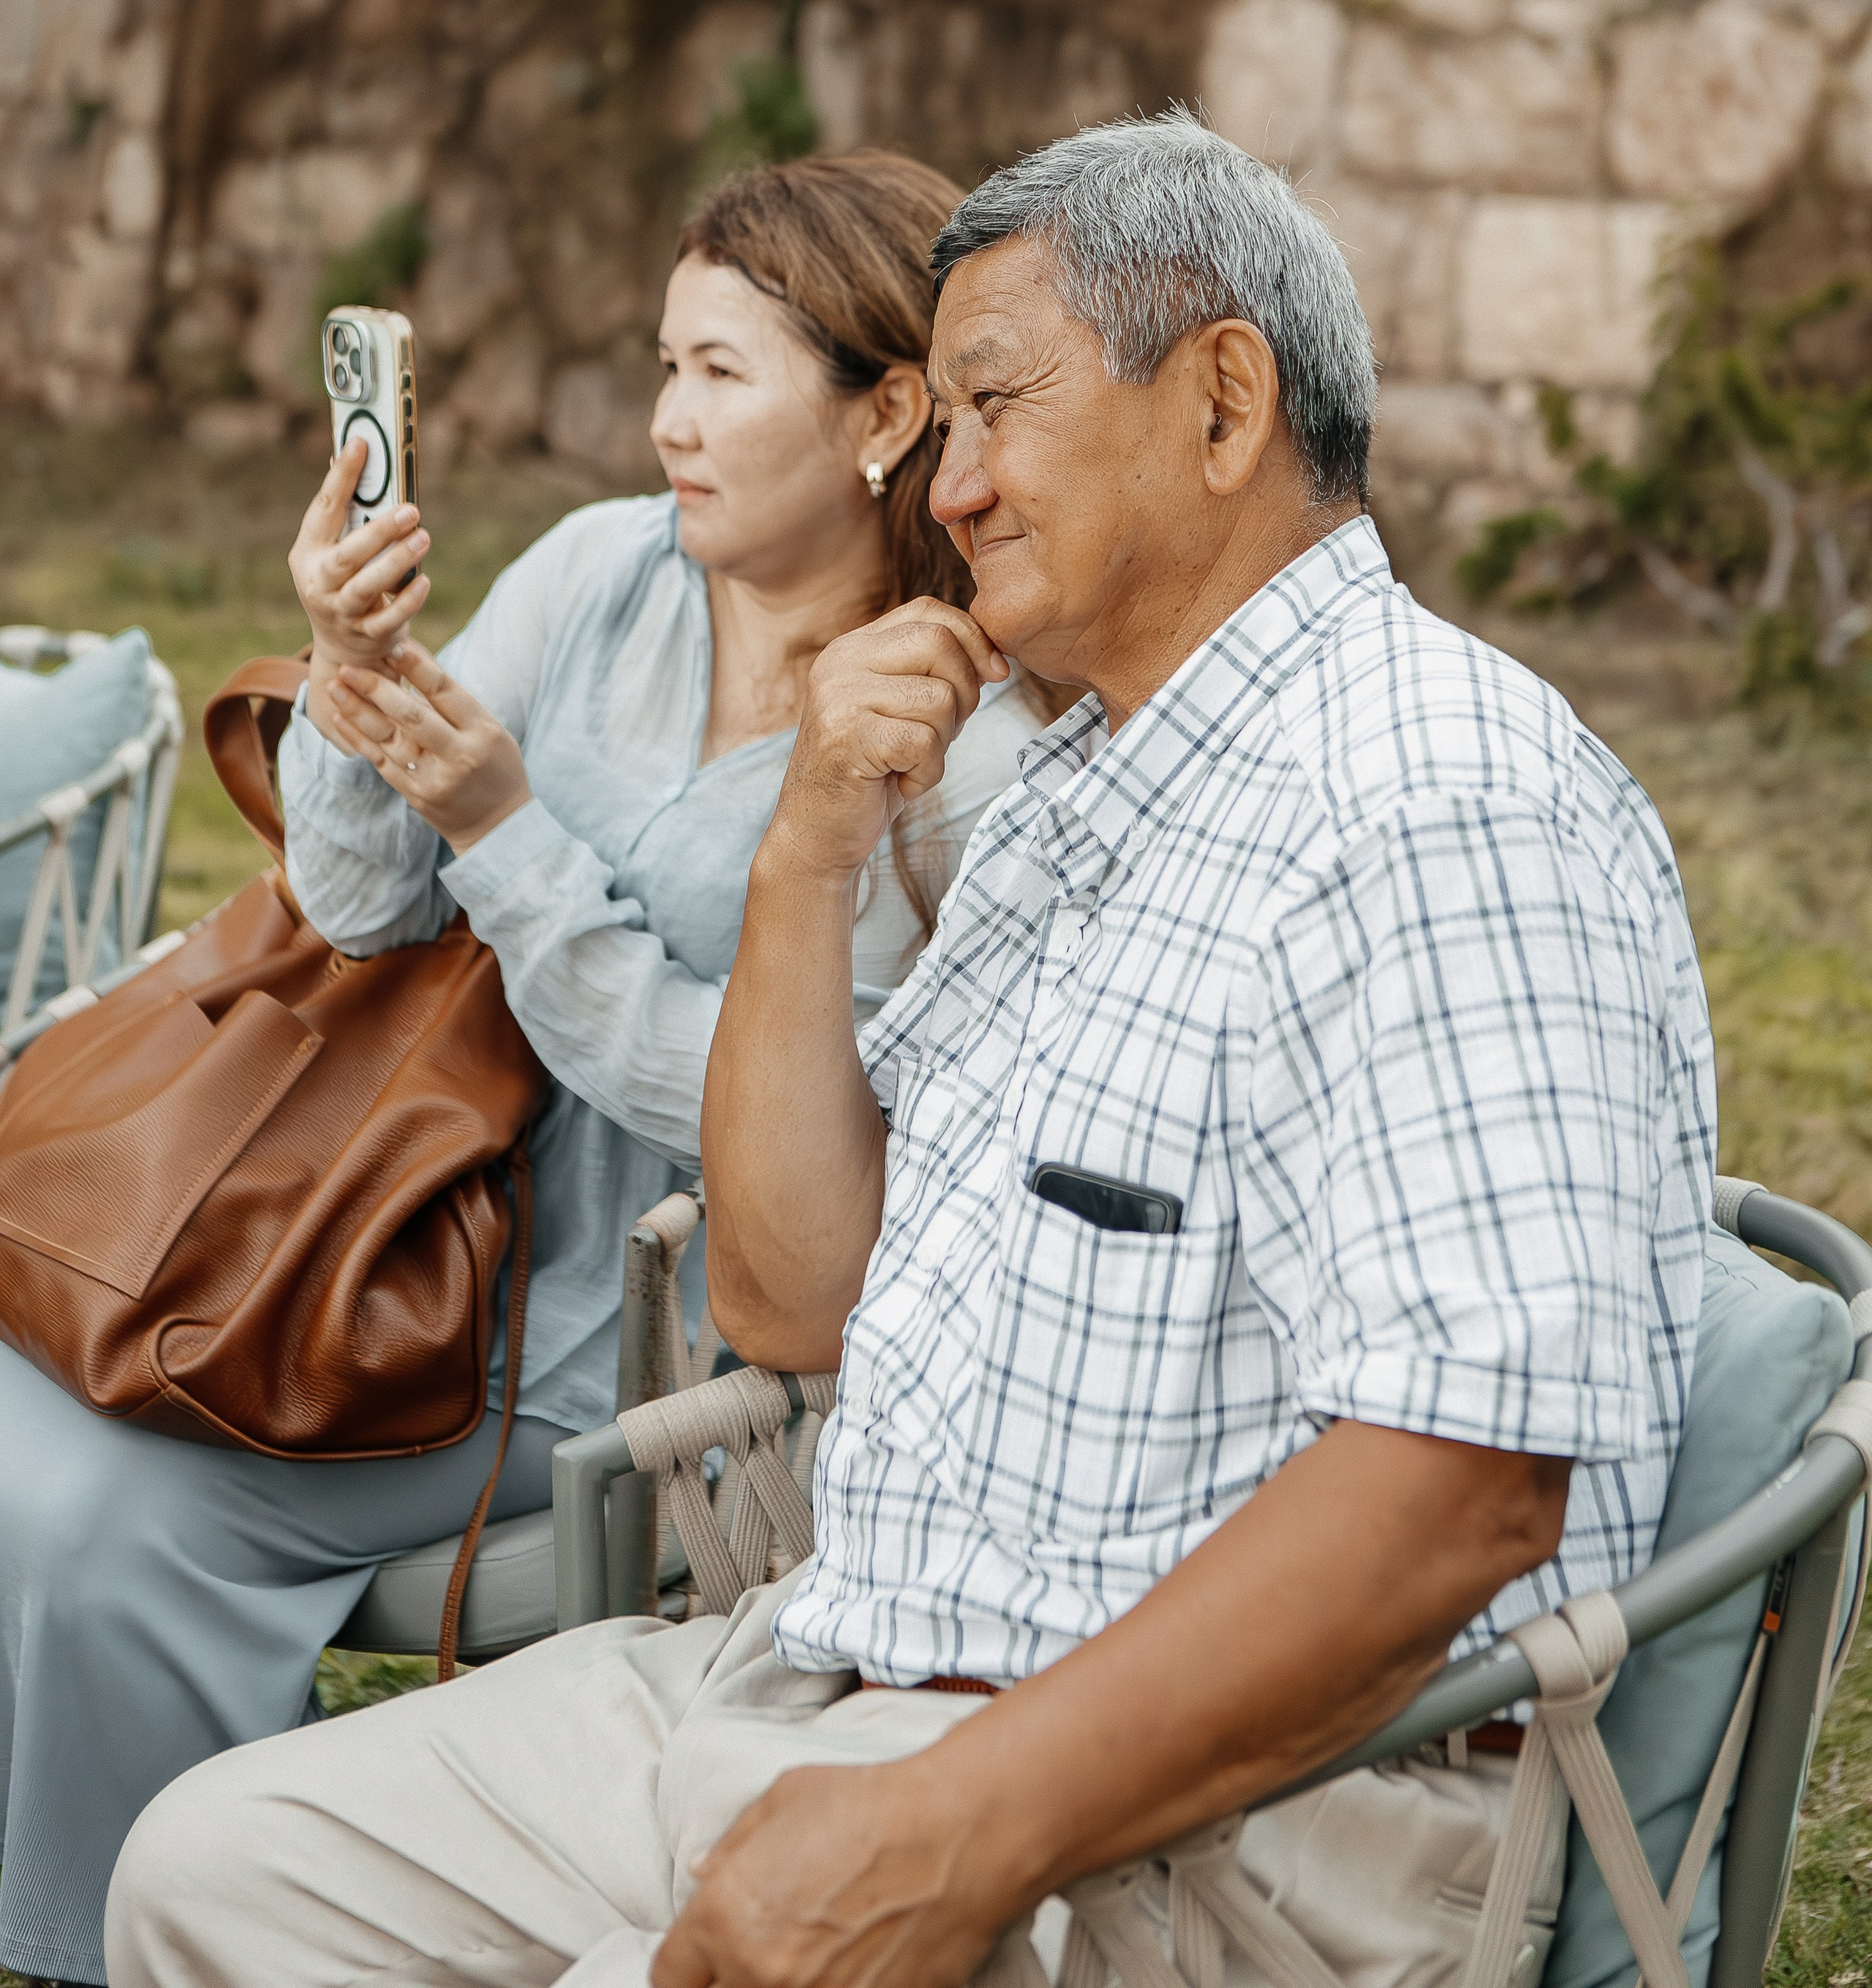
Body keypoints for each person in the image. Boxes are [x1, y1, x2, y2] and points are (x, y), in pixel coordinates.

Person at [106, 113, 1718, 1988]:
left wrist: (951, 1824)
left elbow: (1464, 1484)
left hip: (1202, 1811)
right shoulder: (1073, 785)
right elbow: (794, 1303)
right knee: (217, 1868)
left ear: (1219, 405)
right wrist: (805, 848)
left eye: (990, 408)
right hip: (834, 1660)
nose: (940, 491)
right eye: (936, 425)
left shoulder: (1439, 801)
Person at [0, 150, 1052, 1988]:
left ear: (887, 412)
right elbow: (355, 899)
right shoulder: (601, 575)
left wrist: (507, 833)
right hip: (382, 1235)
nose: (666, 424)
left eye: (721, 377)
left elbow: (758, 1115)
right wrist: (354, 668)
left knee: (99, 1508)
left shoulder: (944, 734)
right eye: (664, 367)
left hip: (638, 1351)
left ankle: (119, 1937)